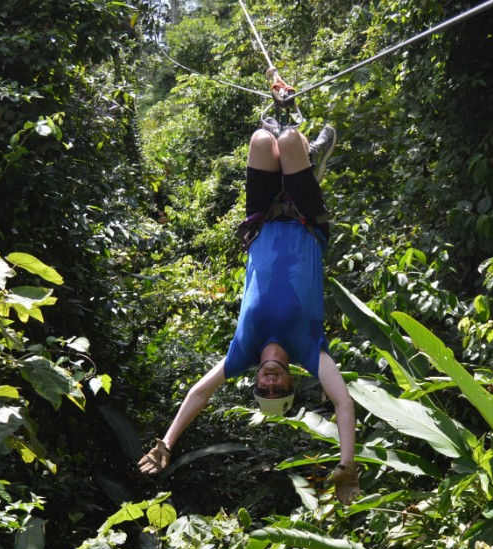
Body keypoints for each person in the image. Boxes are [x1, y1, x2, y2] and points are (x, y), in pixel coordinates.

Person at [138, 122, 360, 505]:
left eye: (264, 390)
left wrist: (167, 443)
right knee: (288, 139)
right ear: (292, 382)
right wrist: (347, 463)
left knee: (261, 139)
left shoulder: (244, 351)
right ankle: (308, 161)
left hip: (261, 220)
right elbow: (343, 402)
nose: (270, 384)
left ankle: (300, 158)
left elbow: (199, 393)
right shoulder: (310, 351)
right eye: (278, 390)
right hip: (306, 219)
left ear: (256, 382)